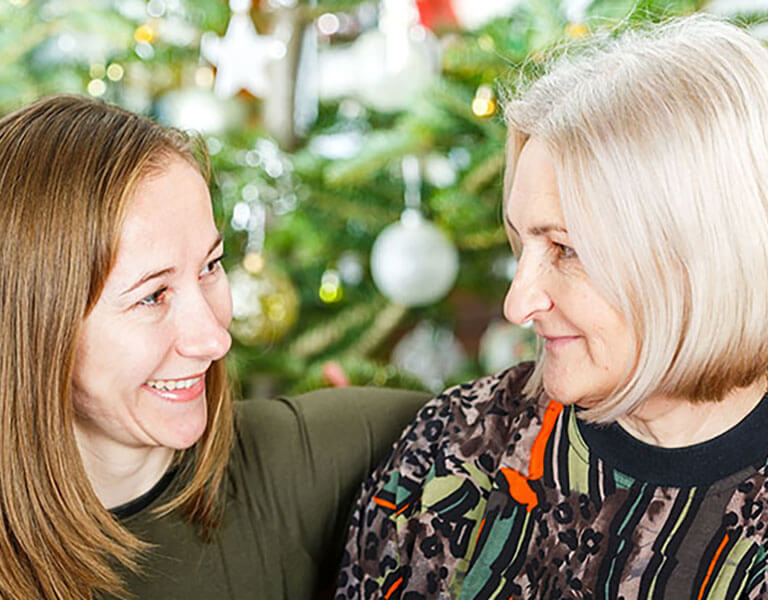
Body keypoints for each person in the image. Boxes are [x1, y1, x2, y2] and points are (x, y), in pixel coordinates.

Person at [337, 15, 768, 600]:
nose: (518, 304)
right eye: (523, 241)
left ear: (702, 257)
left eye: (566, 248)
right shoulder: (457, 447)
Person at [0, 94, 429, 600]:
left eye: (210, 266)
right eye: (152, 296)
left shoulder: (316, 459)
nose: (214, 338)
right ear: (33, 325)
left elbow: (519, 419)